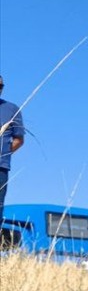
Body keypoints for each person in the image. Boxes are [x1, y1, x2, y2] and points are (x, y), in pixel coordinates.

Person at [0, 76, 25, 222]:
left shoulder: (12, 109)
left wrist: (3, 153)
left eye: (1, 86)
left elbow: (19, 139)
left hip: (1, 167)